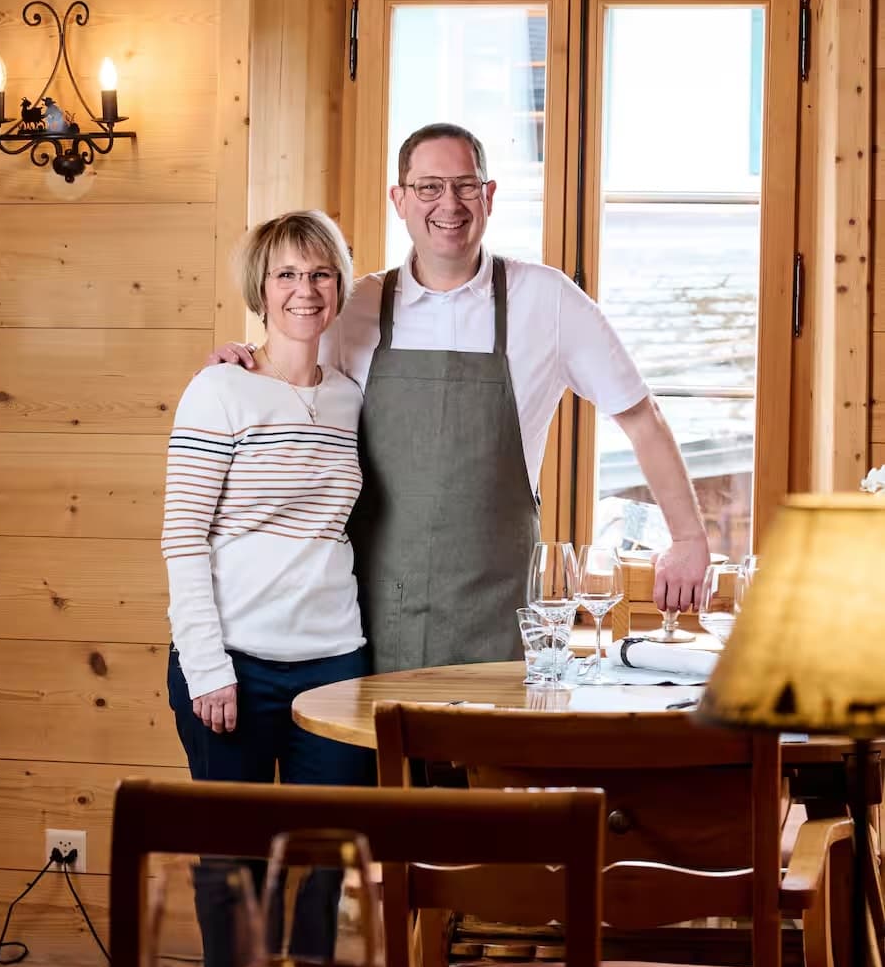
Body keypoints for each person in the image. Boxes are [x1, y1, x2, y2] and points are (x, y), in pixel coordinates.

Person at [207, 122, 710, 673]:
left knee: (489, 759)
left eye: (465, 186)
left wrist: (687, 538)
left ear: (489, 196)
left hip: (498, 609)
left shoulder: (545, 299)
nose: (449, 203)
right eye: (428, 187)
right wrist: (243, 361)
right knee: (377, 760)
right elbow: (287, 373)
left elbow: (643, 418)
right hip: (366, 610)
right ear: (399, 200)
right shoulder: (355, 306)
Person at [163, 209, 372, 960]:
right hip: (235, 665)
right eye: (286, 273)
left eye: (319, 273)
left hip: (336, 667)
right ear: (261, 287)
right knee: (235, 868)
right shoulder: (218, 391)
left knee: (325, 868)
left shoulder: (350, 398)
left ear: (339, 285)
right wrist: (208, 668)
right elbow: (182, 538)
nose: (304, 289)